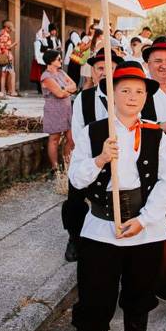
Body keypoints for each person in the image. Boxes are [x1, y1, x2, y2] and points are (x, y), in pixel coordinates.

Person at [64, 61, 166, 331]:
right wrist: (100, 159)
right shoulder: (94, 132)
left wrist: (145, 220)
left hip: (144, 229)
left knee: (139, 294)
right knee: (94, 299)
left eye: (139, 91)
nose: (132, 96)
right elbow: (77, 179)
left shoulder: (155, 133)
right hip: (101, 228)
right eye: (125, 90)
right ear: (112, 95)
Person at [63, 48, 125, 262]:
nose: (105, 72)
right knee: (75, 195)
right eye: (100, 68)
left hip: (120, 157)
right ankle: (74, 237)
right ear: (94, 72)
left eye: (111, 68)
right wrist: (95, 158)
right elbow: (79, 131)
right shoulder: (84, 98)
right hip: (91, 156)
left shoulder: (125, 95)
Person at [41, 50, 76, 176]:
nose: (61, 61)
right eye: (58, 59)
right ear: (51, 61)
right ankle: (55, 167)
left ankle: (67, 165)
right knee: (54, 138)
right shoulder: (46, 77)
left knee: (71, 138)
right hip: (54, 110)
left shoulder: (61, 72)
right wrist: (67, 91)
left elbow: (74, 85)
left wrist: (64, 89)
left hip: (66, 109)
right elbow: (59, 94)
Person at [0, 20, 19, 97]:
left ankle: (3, 91)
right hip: (7, 55)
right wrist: (14, 44)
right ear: (6, 27)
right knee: (12, 73)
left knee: (3, 74)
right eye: (9, 29)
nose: (10, 31)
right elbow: (5, 47)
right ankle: (12, 91)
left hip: (2, 56)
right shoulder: (6, 35)